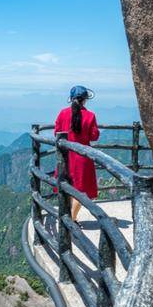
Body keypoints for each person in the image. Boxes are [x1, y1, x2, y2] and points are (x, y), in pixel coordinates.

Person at [54, 85, 100, 224]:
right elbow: (94, 136)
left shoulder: (63, 113)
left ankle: (67, 217)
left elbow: (56, 132)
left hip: (65, 156)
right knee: (81, 191)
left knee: (66, 186)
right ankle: (71, 219)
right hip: (82, 158)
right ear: (85, 100)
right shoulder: (90, 115)